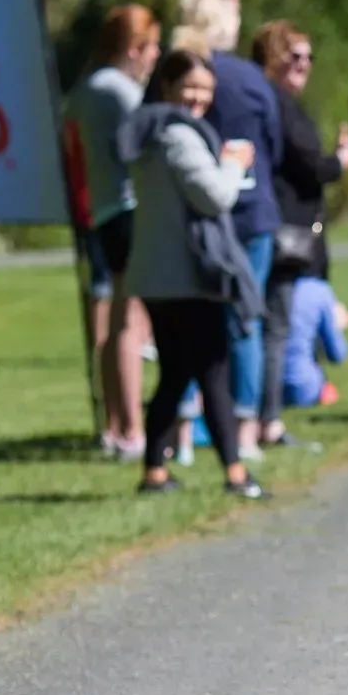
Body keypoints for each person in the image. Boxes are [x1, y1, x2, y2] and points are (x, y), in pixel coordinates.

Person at [118, 49, 267, 500]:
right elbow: (215, 196)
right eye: (190, 88)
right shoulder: (178, 136)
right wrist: (235, 162)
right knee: (213, 372)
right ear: (166, 87)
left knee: (176, 374)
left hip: (159, 276)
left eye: (206, 90)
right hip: (188, 278)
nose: (199, 98)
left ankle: (154, 473)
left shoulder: (149, 132)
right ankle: (236, 473)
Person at [252, 20, 348, 447]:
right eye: (294, 55)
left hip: (289, 227)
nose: (304, 64)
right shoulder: (274, 102)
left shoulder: (280, 103)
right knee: (275, 326)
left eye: (309, 57)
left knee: (276, 325)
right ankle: (266, 421)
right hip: (283, 230)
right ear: (271, 56)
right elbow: (316, 168)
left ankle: (266, 412)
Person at [176, 0, 283, 461]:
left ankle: (187, 429)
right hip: (250, 209)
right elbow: (273, 146)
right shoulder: (246, 77)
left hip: (195, 211)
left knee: (191, 322)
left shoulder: (175, 72)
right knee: (246, 322)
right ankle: (243, 430)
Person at [64, 4, 162, 461]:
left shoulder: (85, 89)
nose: (155, 57)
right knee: (129, 321)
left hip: (103, 210)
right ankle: (133, 430)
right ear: (134, 48)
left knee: (119, 317)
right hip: (129, 206)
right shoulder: (120, 91)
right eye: (152, 48)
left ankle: (115, 424)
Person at [282, 276, 348, 408]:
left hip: (264, 388)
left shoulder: (264, 283)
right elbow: (338, 354)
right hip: (305, 387)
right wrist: (337, 324)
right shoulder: (318, 290)